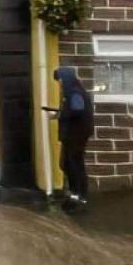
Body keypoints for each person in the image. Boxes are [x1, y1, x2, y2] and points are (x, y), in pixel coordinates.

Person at [53, 67, 94, 211]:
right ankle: (79, 195)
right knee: (70, 164)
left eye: (60, 80)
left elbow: (77, 110)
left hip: (76, 135)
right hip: (74, 135)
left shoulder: (75, 93)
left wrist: (61, 114)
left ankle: (77, 196)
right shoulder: (73, 92)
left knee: (73, 164)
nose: (60, 83)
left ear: (67, 79)